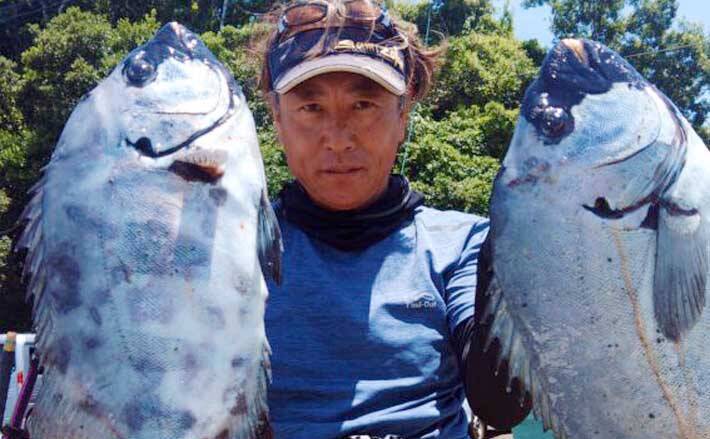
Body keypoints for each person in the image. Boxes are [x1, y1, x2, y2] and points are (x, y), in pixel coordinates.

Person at [259, 0, 531, 437]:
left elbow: (500, 401)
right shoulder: (231, 252)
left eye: (363, 104)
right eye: (311, 108)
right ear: (277, 119)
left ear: (403, 115)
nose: (339, 139)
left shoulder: (463, 245)